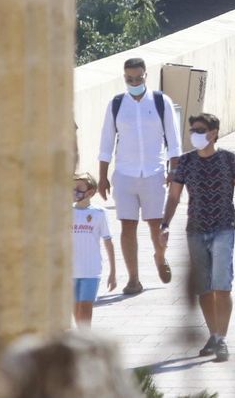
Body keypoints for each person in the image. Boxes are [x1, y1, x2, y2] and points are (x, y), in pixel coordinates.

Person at [161, 113, 235, 364]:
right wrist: (164, 224)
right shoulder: (184, 162)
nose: (195, 134)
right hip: (195, 230)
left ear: (214, 132)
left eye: (200, 129)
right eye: (192, 129)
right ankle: (213, 334)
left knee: (222, 286)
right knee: (203, 288)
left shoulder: (230, 160)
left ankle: (222, 338)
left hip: (224, 228)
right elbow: (173, 197)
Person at [96, 57, 181, 295]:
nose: (134, 82)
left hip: (154, 173)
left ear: (146, 76)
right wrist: (102, 177)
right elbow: (105, 143)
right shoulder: (116, 104)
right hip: (124, 174)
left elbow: (174, 142)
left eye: (138, 78)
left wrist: (174, 172)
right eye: (129, 79)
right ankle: (133, 279)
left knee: (157, 225)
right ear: (124, 78)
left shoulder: (160, 102)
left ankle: (160, 256)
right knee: (127, 226)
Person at [71, 172, 116, 326]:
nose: (74, 191)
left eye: (78, 188)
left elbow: (108, 241)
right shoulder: (66, 212)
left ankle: (85, 337)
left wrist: (113, 272)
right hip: (70, 271)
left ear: (90, 192)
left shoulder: (99, 213)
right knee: (75, 309)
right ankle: (80, 337)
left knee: (85, 307)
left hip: (91, 270)